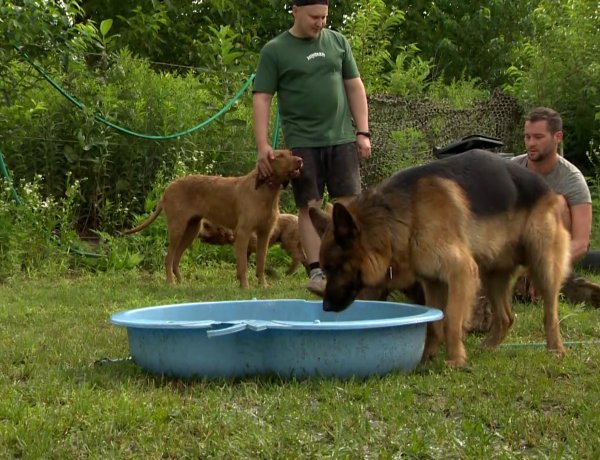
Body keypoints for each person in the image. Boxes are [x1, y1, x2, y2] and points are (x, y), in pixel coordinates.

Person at [252, 0, 371, 295]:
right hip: (303, 142)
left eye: (324, 17)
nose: (320, 22)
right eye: (314, 17)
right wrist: (263, 144)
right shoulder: (275, 50)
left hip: (342, 137)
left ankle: (349, 264)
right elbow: (262, 97)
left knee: (349, 203)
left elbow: (355, 86)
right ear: (294, 10)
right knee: (309, 205)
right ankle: (317, 270)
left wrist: (363, 131)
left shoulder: (338, 42)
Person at [512, 106, 592, 264]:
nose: (531, 143)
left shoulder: (572, 179)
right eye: (527, 137)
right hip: (516, 245)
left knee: (556, 203)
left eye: (538, 137)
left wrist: (549, 267)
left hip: (552, 254)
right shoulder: (512, 169)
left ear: (558, 137)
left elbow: (581, 243)